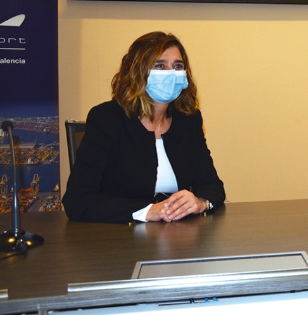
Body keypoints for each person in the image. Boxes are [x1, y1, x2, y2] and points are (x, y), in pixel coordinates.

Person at [63, 32, 225, 223]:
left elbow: (212, 185)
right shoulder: (106, 119)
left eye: (178, 66)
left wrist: (201, 202)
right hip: (120, 237)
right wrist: (148, 211)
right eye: (160, 65)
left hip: (179, 236)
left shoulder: (188, 119)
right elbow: (77, 200)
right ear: (137, 71)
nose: (171, 73)